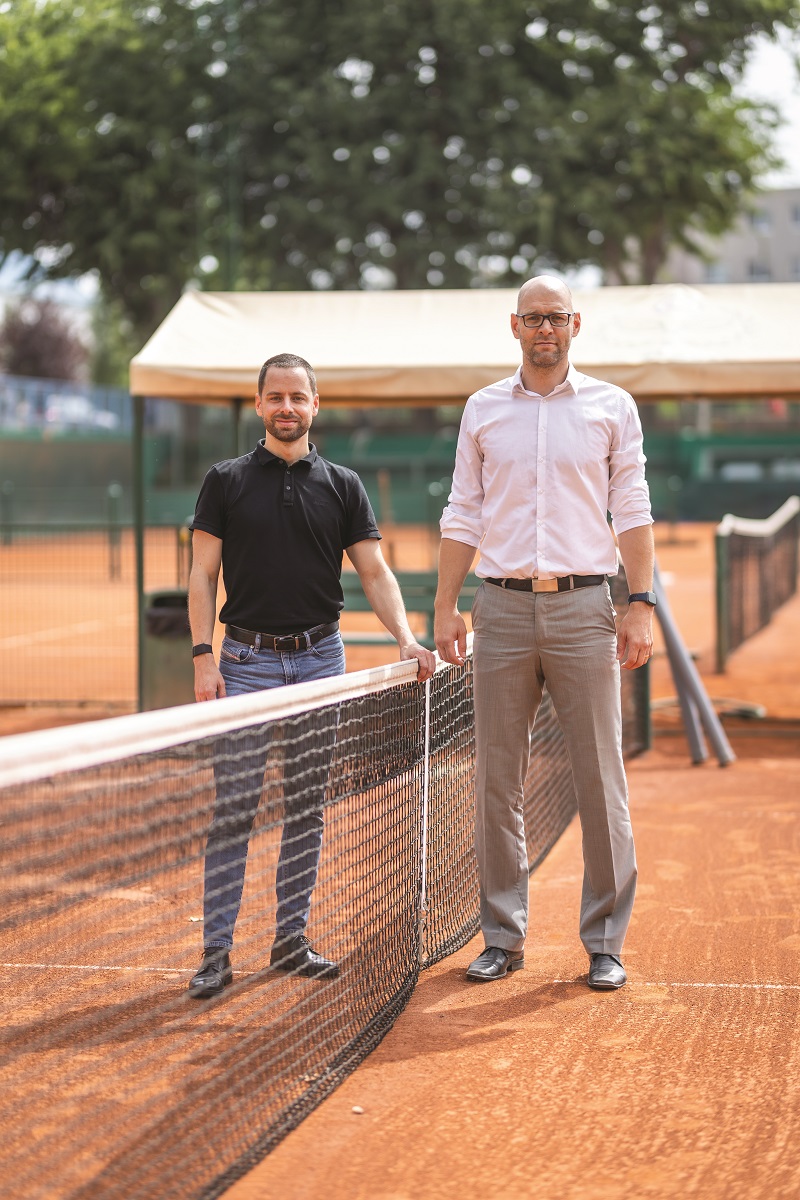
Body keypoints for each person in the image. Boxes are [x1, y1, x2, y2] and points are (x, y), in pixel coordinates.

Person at [187, 352, 435, 999]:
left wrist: (406, 639)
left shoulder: (345, 486)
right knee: (234, 808)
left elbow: (376, 574)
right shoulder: (225, 481)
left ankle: (290, 939)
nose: (287, 407)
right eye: (276, 397)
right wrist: (201, 655)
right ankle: (215, 952)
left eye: (298, 397)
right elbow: (201, 576)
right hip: (242, 664)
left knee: (306, 807)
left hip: (322, 662)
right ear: (261, 403)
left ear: (315, 405)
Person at [434, 276, 654, 991]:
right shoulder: (483, 409)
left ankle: (605, 942)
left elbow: (632, 507)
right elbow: (462, 511)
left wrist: (640, 603)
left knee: (600, 778)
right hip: (498, 609)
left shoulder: (611, 406)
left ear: (575, 324)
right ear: (515, 326)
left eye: (555, 317)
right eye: (532, 319)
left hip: (585, 609)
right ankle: (502, 936)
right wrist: (446, 605)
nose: (544, 330)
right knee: (497, 780)